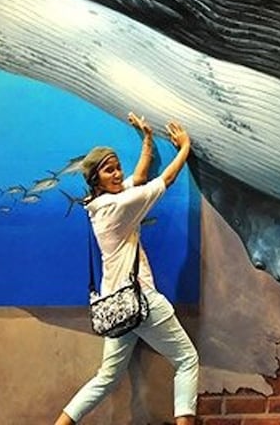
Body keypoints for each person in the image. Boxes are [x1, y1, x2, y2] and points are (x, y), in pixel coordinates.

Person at [55, 112, 199, 425]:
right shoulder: (119, 206)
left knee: (106, 378)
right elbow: (165, 181)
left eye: (118, 167)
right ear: (96, 179)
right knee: (187, 360)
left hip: (117, 307)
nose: (118, 174)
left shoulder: (99, 205)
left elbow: (139, 178)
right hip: (141, 299)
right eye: (109, 170)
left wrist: (147, 140)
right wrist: (185, 147)